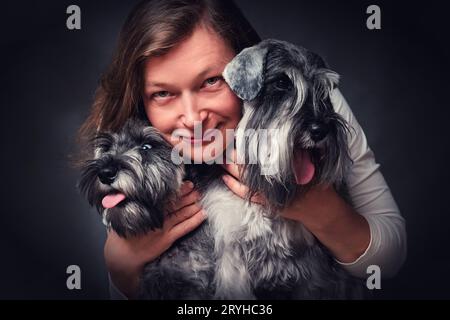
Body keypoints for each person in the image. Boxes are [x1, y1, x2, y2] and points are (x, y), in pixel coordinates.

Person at [77, 0, 407, 299]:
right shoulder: (130, 144)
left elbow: (387, 262)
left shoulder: (312, 106)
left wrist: (317, 208)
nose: (193, 119)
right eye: (163, 94)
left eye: (211, 82)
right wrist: (122, 267)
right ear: (140, 101)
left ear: (248, 69)